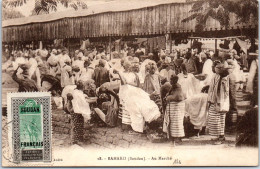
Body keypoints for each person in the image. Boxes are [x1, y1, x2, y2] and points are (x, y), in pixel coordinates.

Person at [114, 61, 161, 133]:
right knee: (136, 103)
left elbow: (136, 84)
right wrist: (120, 74)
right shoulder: (127, 74)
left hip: (131, 90)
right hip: (127, 90)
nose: (130, 68)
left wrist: (127, 82)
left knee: (142, 101)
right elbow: (124, 83)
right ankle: (134, 122)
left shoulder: (134, 75)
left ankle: (149, 118)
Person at [207, 62, 231, 145]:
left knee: (215, 119)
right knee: (220, 119)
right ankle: (221, 135)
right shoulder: (218, 76)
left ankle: (217, 138)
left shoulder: (222, 79)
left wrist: (218, 102)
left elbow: (221, 92)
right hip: (219, 101)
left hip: (218, 101)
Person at [163, 74, 186, 145]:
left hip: (177, 108)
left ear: (174, 80)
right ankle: (173, 137)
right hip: (172, 108)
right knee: (172, 123)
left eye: (171, 80)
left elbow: (178, 97)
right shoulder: (173, 87)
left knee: (177, 123)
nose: (170, 81)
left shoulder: (178, 87)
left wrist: (168, 97)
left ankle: (177, 138)